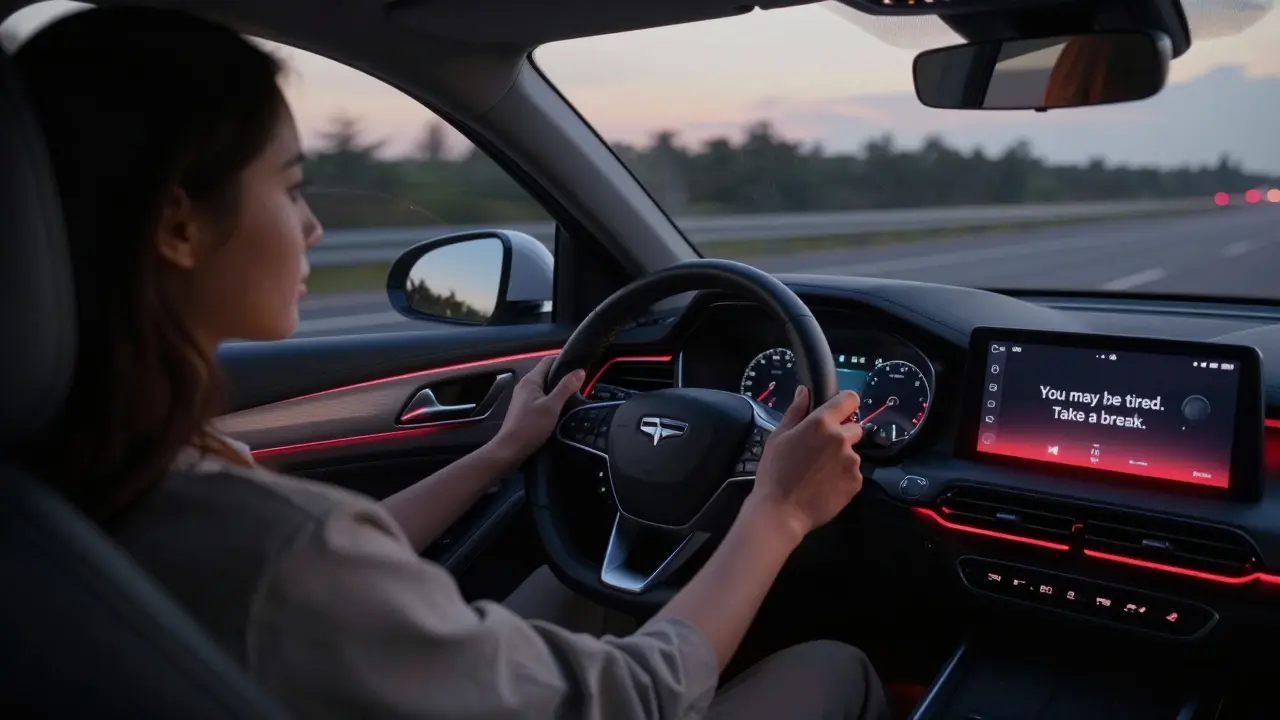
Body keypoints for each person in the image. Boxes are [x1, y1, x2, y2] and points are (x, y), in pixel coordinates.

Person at [15, 6, 890, 719]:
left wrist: (495, 454)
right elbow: (635, 695)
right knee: (834, 666)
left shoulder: (94, 468)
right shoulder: (269, 540)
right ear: (178, 227)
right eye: (288, 189)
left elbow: (313, 573)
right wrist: (776, 511)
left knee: (570, 583)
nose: (314, 227)